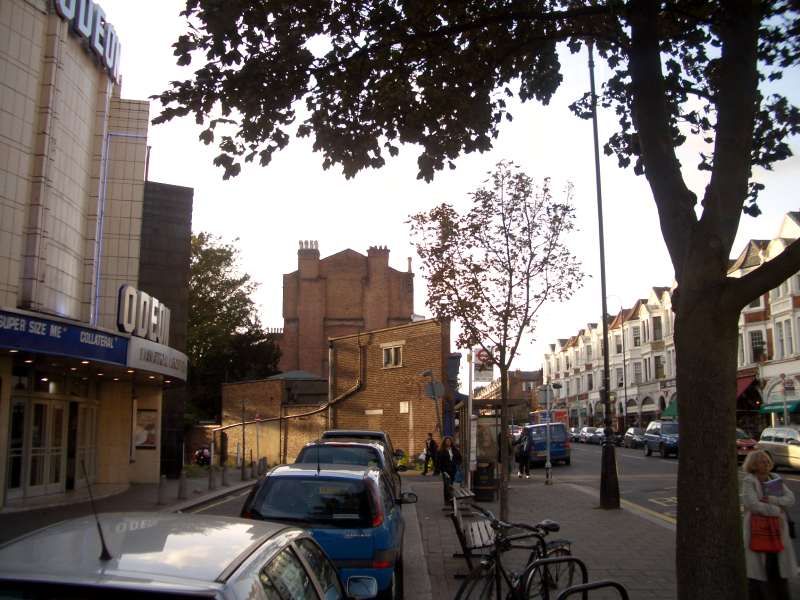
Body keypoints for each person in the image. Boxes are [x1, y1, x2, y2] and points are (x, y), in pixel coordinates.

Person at [742, 450, 796, 599]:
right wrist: (775, 510)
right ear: (754, 465)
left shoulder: (774, 478)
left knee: (778, 569)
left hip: (777, 530)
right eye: (762, 462)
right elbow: (752, 504)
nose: (766, 464)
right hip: (757, 530)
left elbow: (790, 499)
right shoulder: (750, 481)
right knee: (759, 571)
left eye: (767, 461)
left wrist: (772, 500)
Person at [437, 436, 462, 503]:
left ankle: (450, 499)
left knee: (451, 484)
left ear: (451, 442)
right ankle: (447, 500)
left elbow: (459, 458)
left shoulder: (454, 449)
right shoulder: (441, 450)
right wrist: (442, 470)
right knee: (446, 485)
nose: (448, 442)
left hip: (453, 470)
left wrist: (457, 463)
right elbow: (439, 462)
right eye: (447, 441)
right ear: (444, 442)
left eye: (449, 441)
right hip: (445, 470)